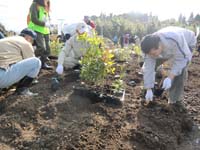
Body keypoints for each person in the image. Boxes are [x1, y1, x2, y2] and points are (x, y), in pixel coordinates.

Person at [140, 26, 196, 105]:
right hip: (167, 47)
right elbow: (148, 69)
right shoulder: (150, 49)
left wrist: (170, 77)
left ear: (159, 45)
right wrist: (148, 88)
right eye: (150, 54)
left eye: (153, 53)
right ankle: (149, 92)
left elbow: (182, 59)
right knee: (148, 66)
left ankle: (175, 100)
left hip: (187, 42)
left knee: (180, 70)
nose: (152, 56)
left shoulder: (174, 39)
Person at [0, 28, 41, 96]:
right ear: (28, 37)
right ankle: (22, 90)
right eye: (32, 41)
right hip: (1, 77)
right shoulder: (25, 43)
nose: (32, 43)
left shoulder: (8, 40)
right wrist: (34, 79)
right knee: (36, 62)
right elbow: (29, 64)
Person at [28, 0, 53, 69]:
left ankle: (42, 63)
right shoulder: (35, 5)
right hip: (36, 29)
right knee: (41, 48)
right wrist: (44, 24)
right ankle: (29, 60)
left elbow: (46, 18)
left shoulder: (46, 6)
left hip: (45, 30)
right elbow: (34, 19)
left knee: (47, 50)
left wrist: (49, 23)